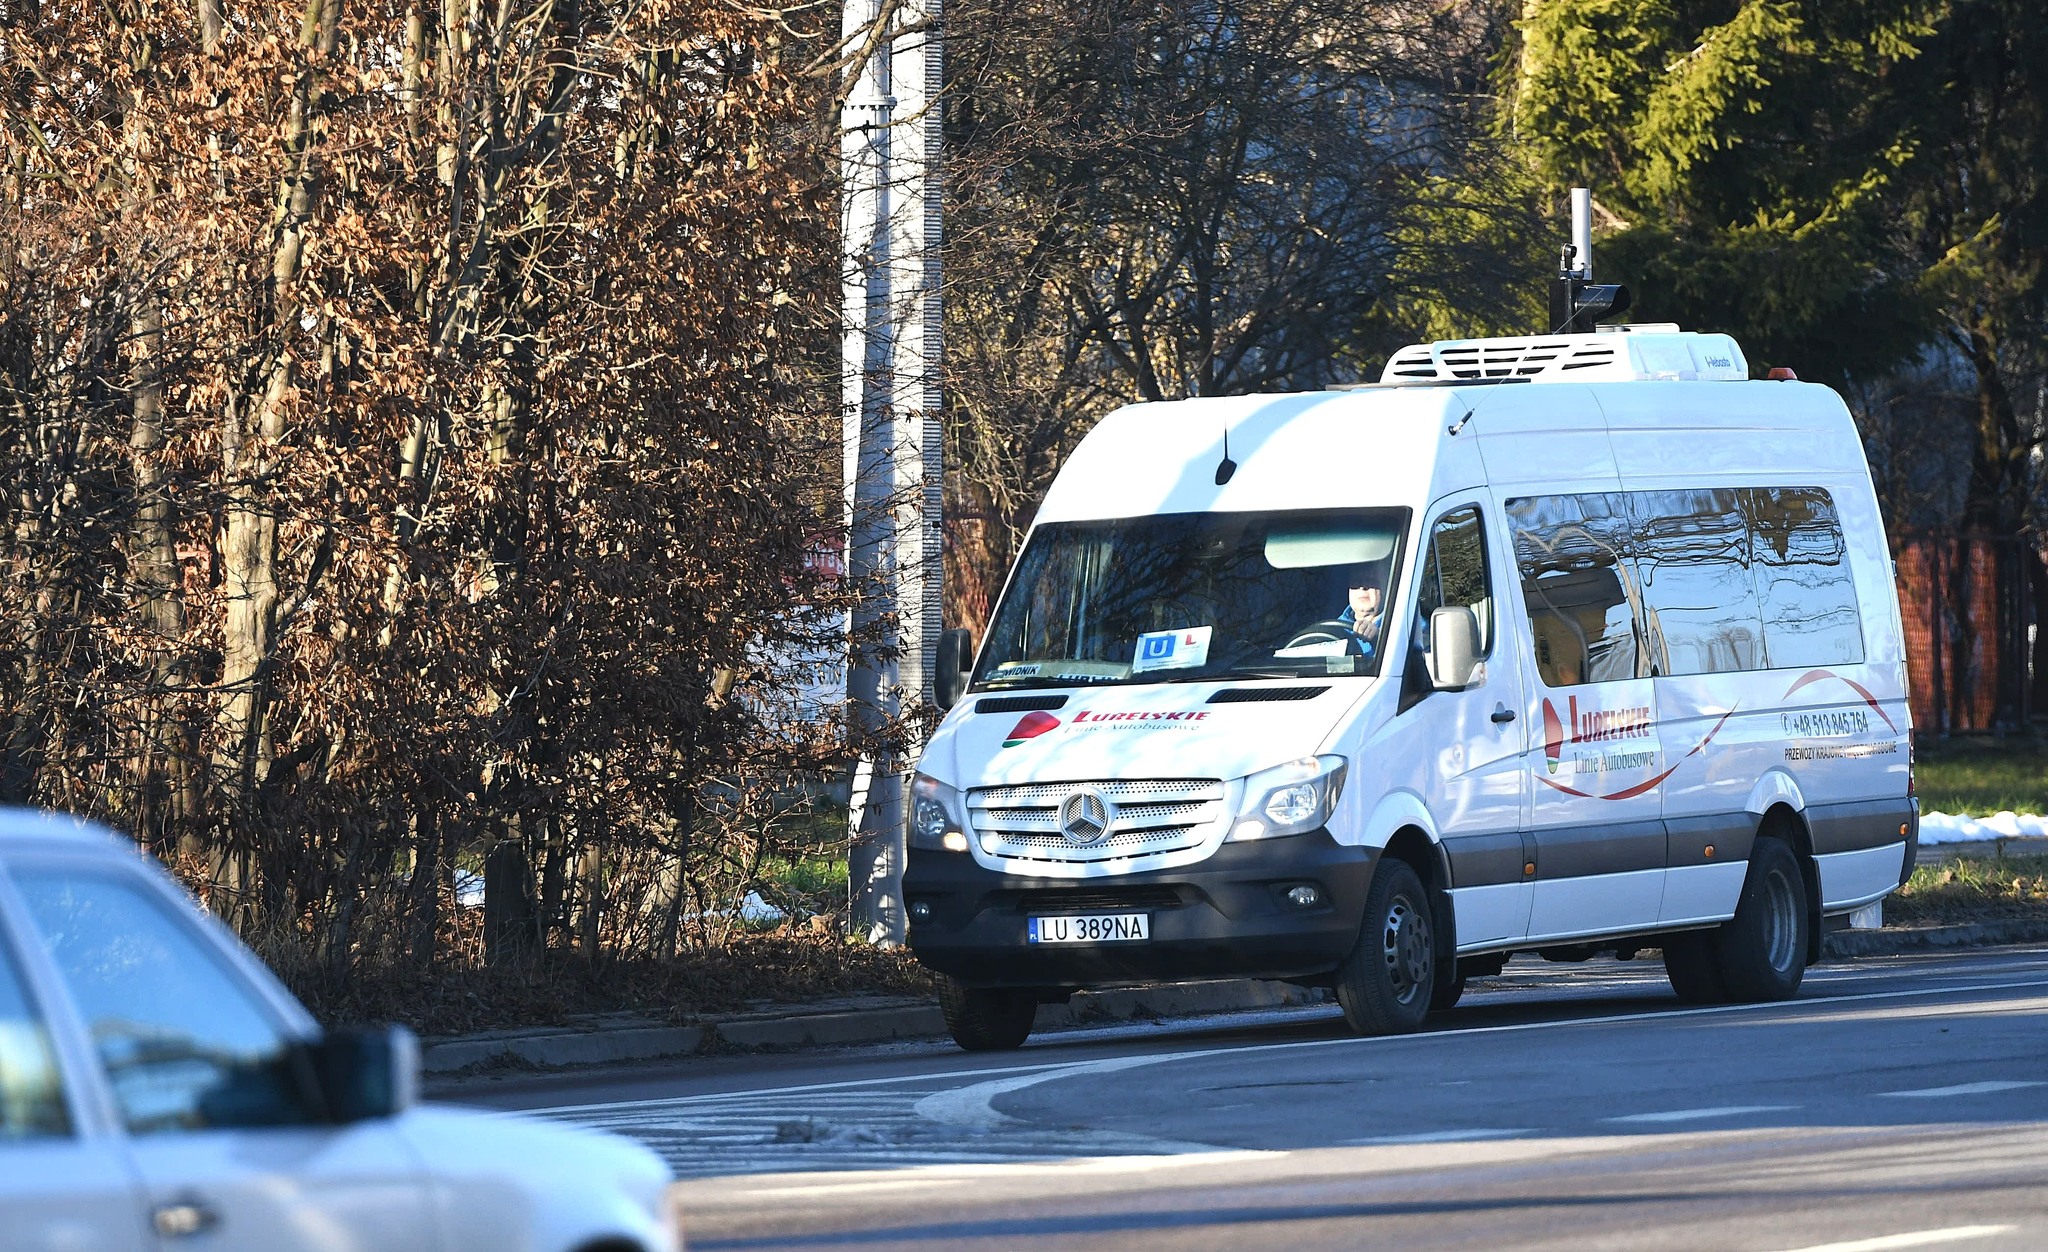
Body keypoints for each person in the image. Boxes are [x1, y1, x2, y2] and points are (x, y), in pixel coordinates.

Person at [1337, 571, 1385, 656]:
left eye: (1371, 580)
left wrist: (1380, 639)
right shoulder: (1333, 629)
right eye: (1356, 581)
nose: (1362, 587)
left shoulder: (1397, 627)